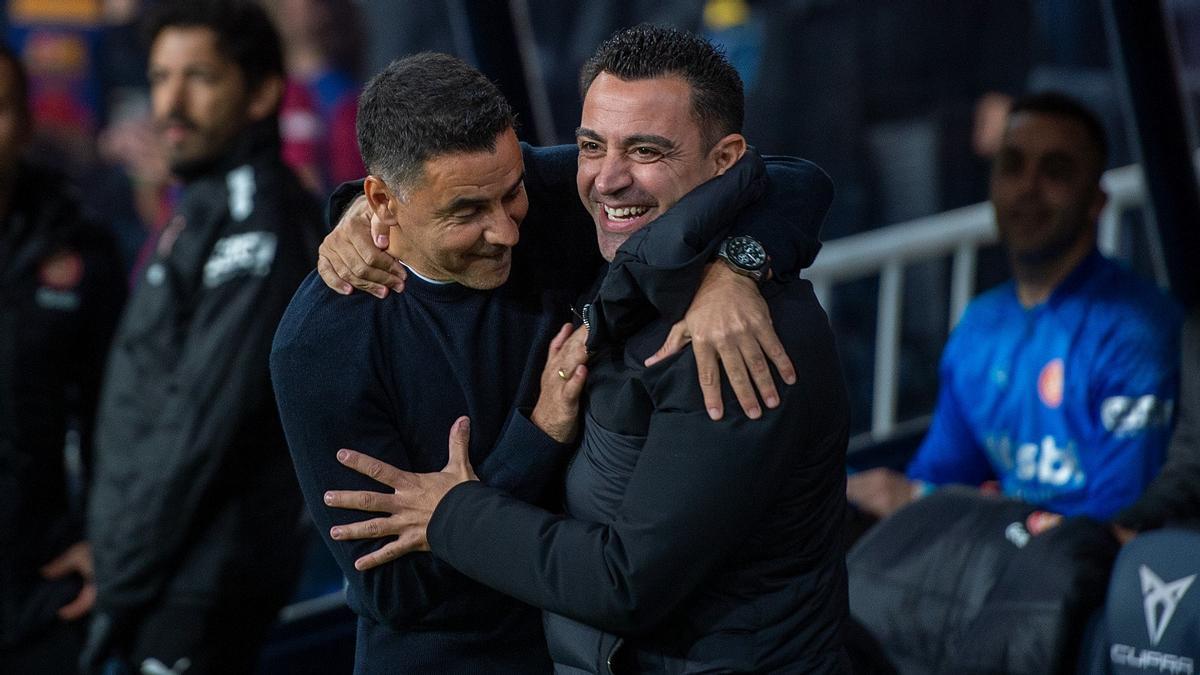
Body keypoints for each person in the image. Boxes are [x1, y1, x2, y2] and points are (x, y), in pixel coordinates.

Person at [272, 43, 834, 675]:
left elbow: (787, 179)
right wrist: (534, 438)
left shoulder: (563, 202)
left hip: (589, 647)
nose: (507, 230)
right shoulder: (322, 345)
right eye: (468, 213)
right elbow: (396, 593)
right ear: (381, 201)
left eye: (512, 194)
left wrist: (736, 267)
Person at [85, 2, 323, 673]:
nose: (172, 102)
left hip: (195, 581)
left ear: (262, 92)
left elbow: (201, 426)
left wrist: (119, 576)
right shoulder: (203, 207)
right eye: (161, 78)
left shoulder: (258, 218)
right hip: (162, 573)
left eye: (200, 78)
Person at [847, 92, 1182, 523]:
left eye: (1056, 171)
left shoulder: (1135, 332)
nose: (1028, 187)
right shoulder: (980, 326)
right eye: (1012, 165)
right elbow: (942, 477)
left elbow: (1121, 526)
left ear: (1096, 202)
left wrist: (926, 500)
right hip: (1003, 571)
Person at [0, 43, 126, 673]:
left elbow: (117, 409)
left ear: (24, 121)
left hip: (41, 585)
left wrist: (107, 540)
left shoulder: (76, 244)